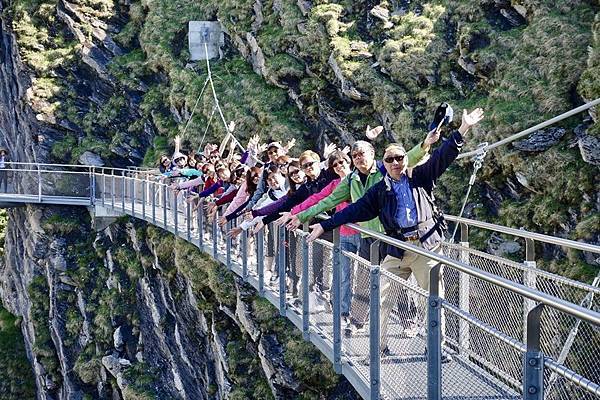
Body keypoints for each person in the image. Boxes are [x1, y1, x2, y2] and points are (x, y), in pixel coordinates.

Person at [306, 108, 485, 358]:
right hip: (398, 247)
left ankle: (435, 349)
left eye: (399, 158)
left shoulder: (420, 177)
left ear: (405, 160)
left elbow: (442, 158)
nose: (395, 163)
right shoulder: (379, 190)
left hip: (425, 247)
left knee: (431, 300)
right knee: (381, 299)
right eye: (389, 160)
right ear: (384, 164)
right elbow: (355, 210)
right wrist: (326, 225)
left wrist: (463, 128)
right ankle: (378, 349)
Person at [281, 128, 439, 333]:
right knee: (364, 280)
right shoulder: (350, 180)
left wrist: (425, 144)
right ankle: (357, 321)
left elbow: (407, 158)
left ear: (372, 154)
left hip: (391, 235)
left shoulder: (385, 169)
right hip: (367, 237)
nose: (357, 158)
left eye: (360, 154)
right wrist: (300, 215)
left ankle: (408, 322)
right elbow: (327, 200)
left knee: (398, 281)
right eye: (354, 156)